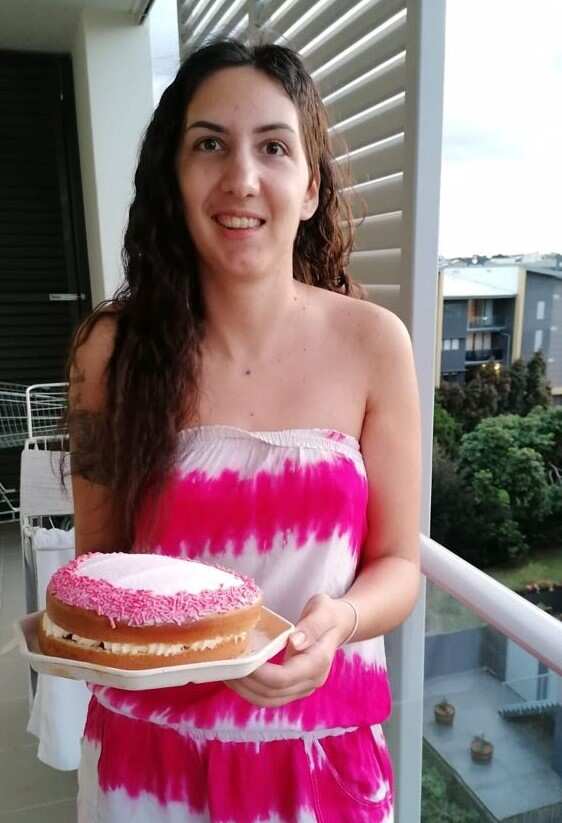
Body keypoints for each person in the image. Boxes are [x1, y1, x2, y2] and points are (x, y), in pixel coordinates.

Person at [67, 35, 421, 823]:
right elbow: (95, 567)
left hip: (322, 758)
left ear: (310, 185)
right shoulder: (110, 353)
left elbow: (398, 560)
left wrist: (342, 621)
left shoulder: (374, 345)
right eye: (208, 146)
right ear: (173, 175)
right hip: (151, 759)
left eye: (273, 146)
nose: (241, 179)